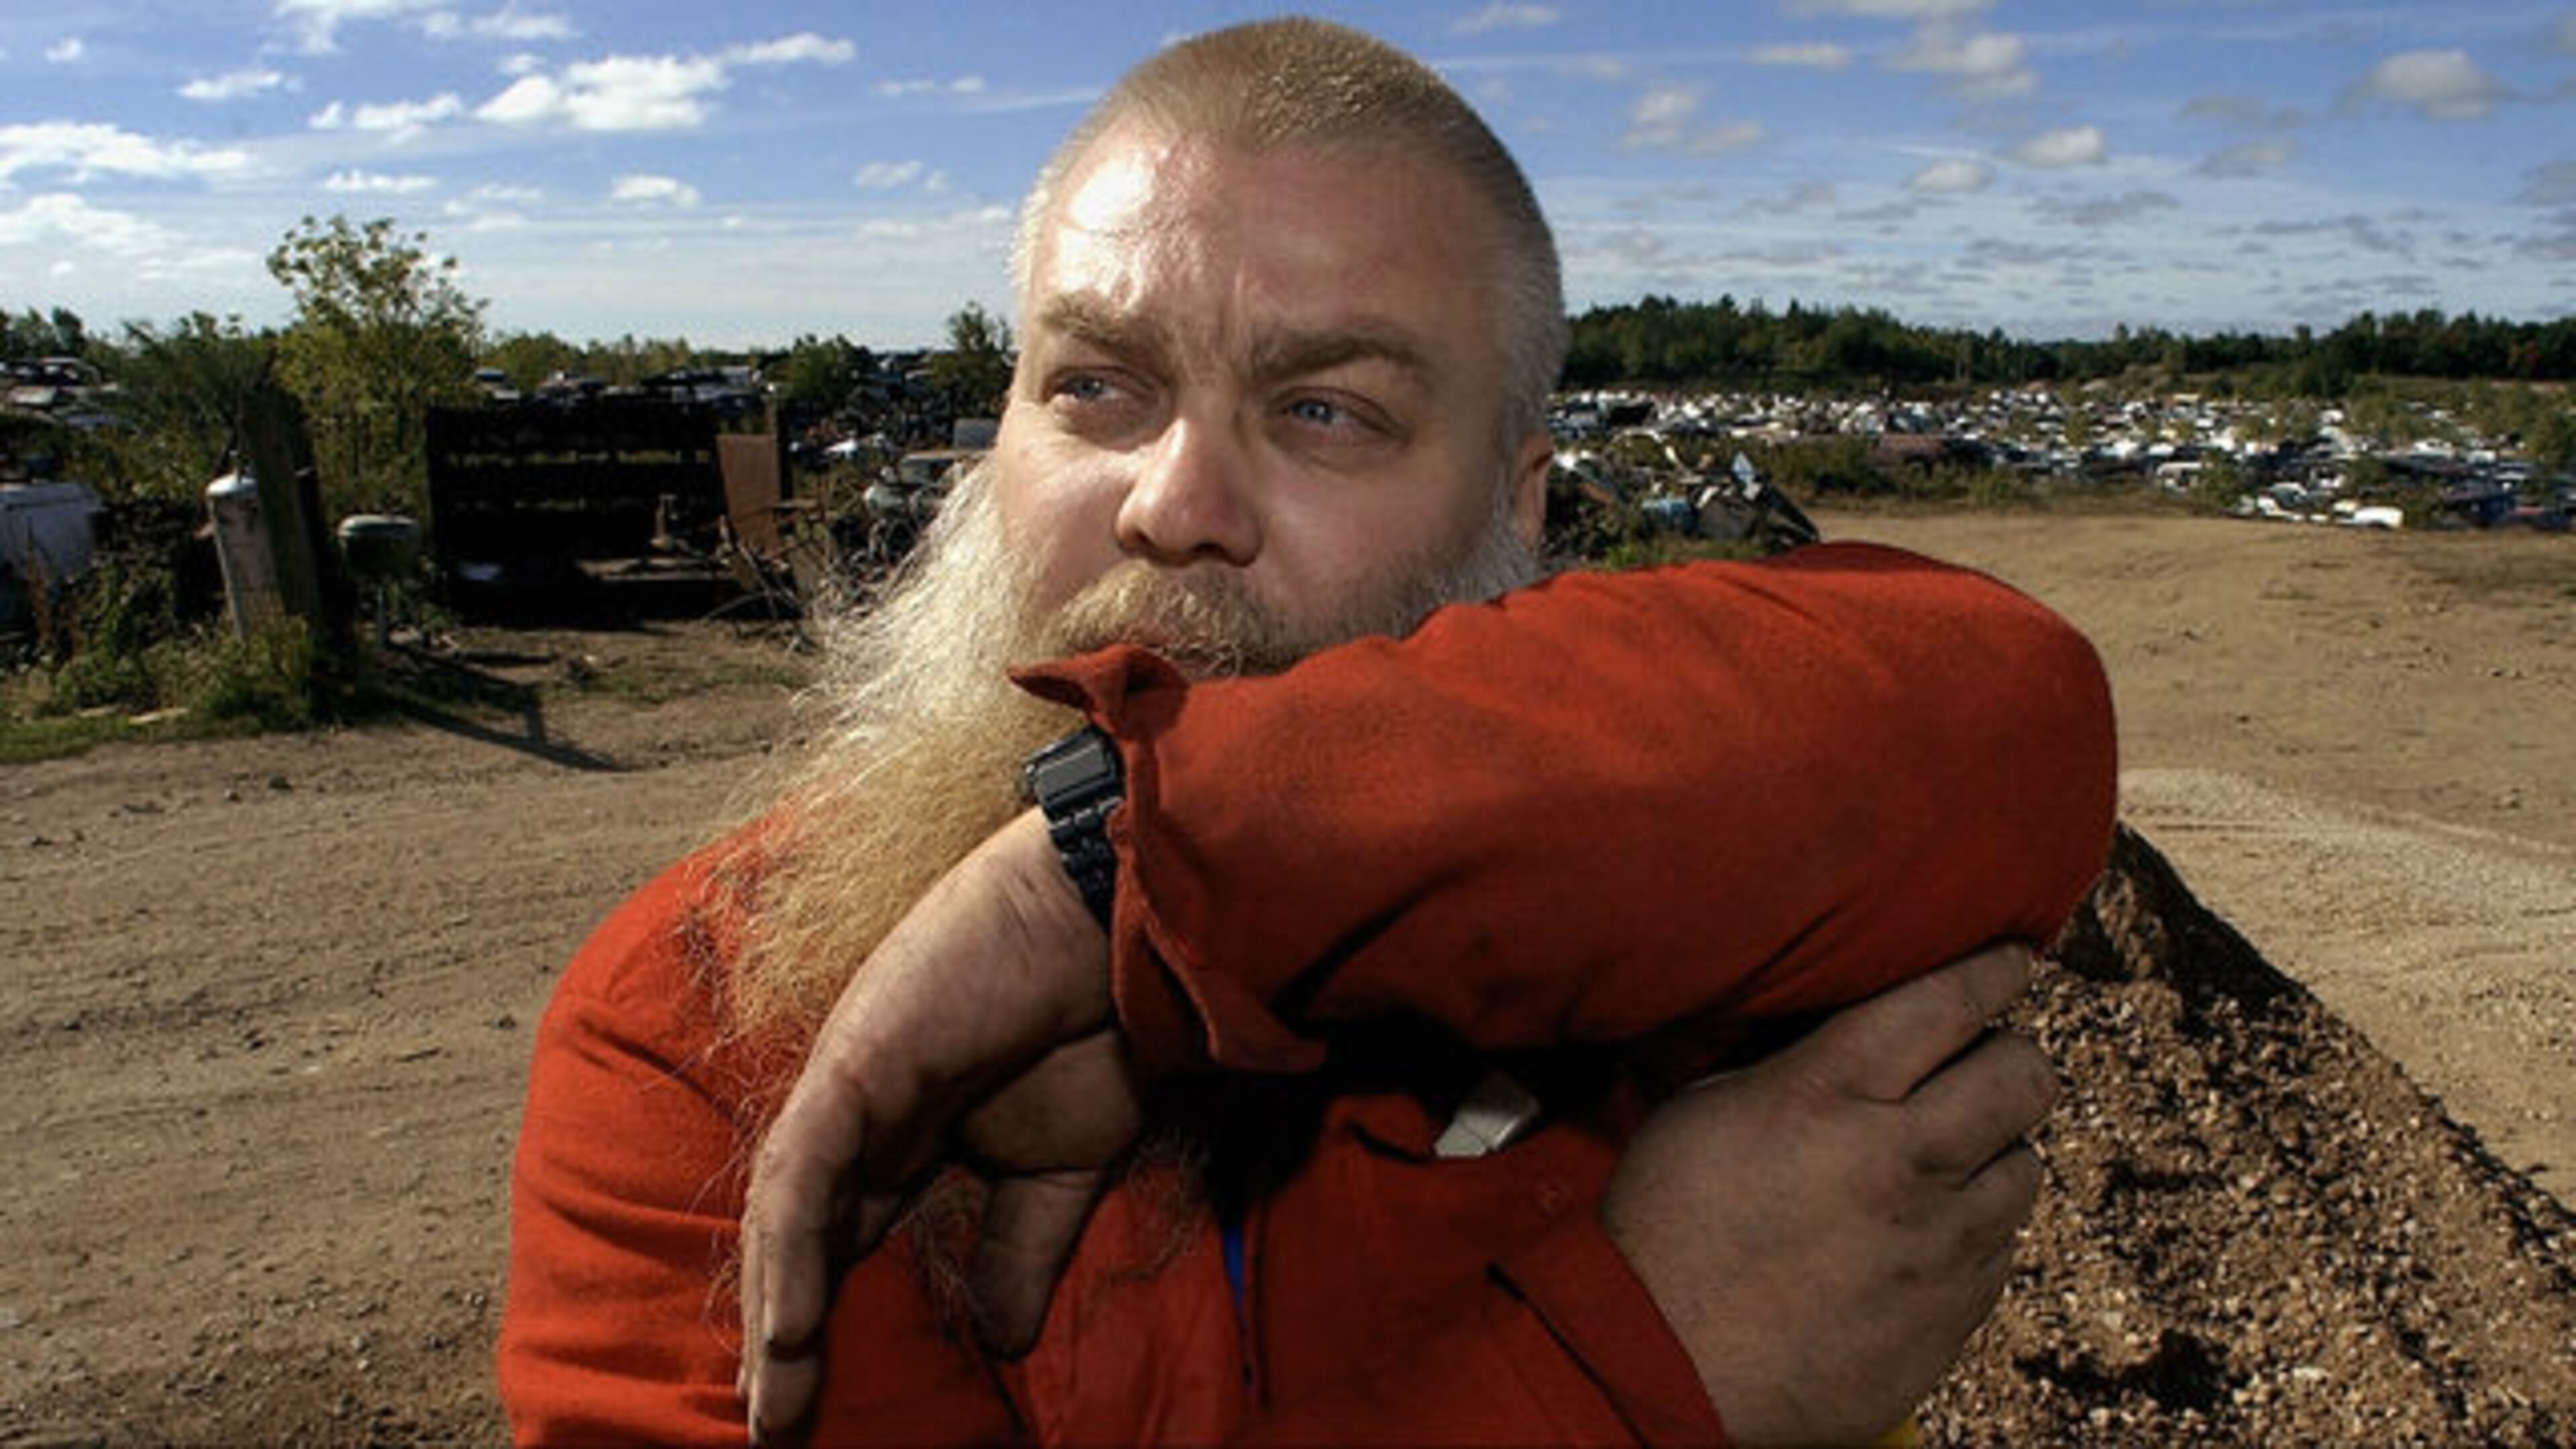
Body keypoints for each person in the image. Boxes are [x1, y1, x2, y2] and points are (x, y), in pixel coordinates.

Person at [498, 17, 2116, 1446]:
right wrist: (1644, 1370)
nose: (1176, 504)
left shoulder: (1652, 916)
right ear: (995, 443)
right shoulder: (719, 1031)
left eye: (1325, 409)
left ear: (1520, 507)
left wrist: (1117, 857)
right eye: (1098, 388)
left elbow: (2017, 710)